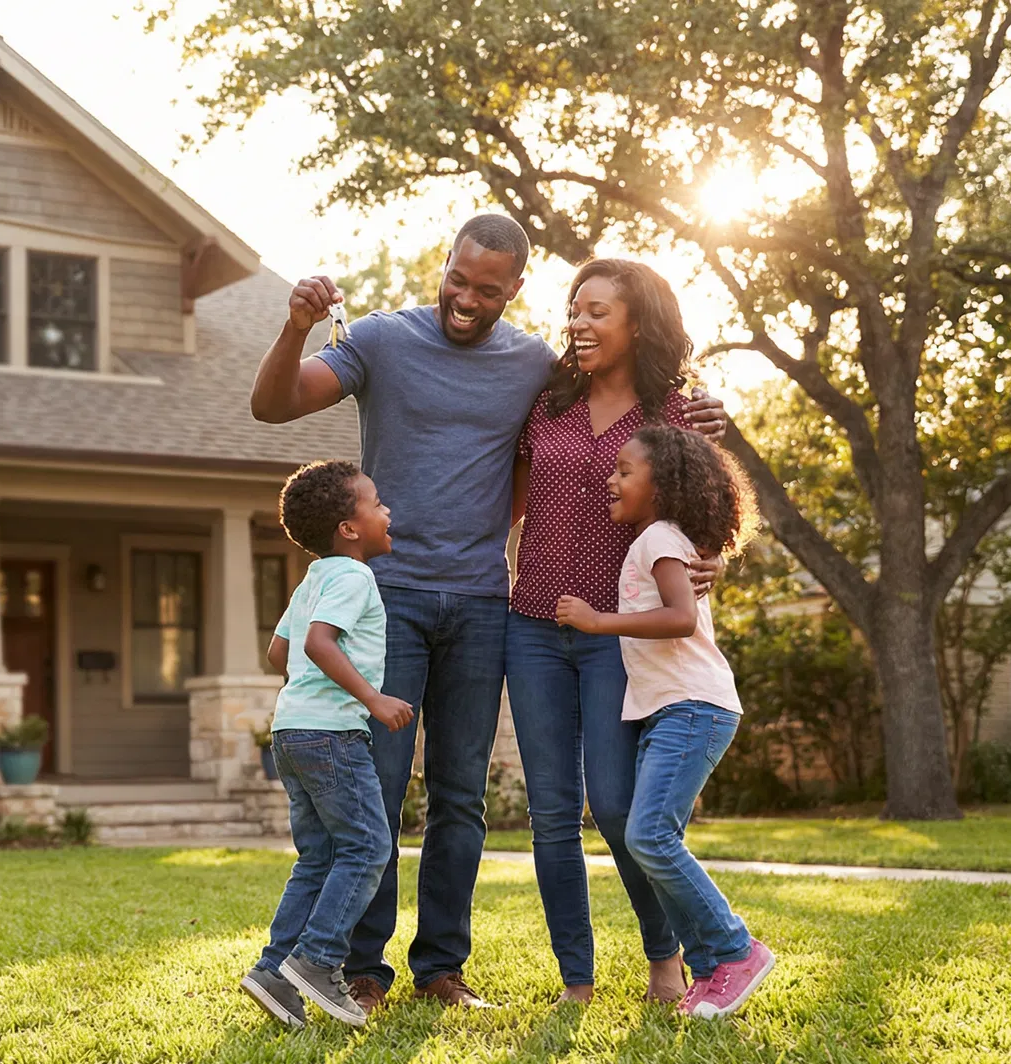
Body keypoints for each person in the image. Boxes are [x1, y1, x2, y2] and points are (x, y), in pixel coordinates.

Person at [251, 216, 729, 1010]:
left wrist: (699, 527)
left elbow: (621, 483)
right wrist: (296, 324)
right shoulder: (389, 342)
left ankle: (441, 965)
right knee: (379, 784)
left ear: (515, 290)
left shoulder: (538, 370)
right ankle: (363, 971)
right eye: (458, 278)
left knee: (464, 796)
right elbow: (275, 405)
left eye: (487, 288)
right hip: (396, 599)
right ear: (445, 265)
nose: (466, 298)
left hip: (483, 601)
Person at [507, 258, 729, 1004]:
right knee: (548, 814)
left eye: (598, 311)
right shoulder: (546, 401)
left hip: (618, 635)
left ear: (639, 322)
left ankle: (664, 957)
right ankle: (577, 977)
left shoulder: (675, 414)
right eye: (574, 309)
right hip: (532, 623)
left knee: (615, 805)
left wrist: (711, 565)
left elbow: (708, 517)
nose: (579, 322)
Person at [553, 423, 775, 1017]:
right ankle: (708, 971)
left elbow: (680, 617)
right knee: (648, 836)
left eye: (625, 471)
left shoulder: (657, 537)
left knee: (649, 835)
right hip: (672, 709)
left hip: (691, 707)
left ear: (664, 484)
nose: (611, 478)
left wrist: (597, 621)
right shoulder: (659, 538)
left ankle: (735, 949)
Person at [243, 460, 414, 1030]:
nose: (386, 511)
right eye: (376, 504)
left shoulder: (313, 577)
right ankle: (317, 961)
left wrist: (315, 693)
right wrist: (372, 697)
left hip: (291, 731)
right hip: (333, 734)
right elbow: (318, 643)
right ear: (350, 528)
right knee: (367, 847)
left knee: (319, 857)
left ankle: (274, 973)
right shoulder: (353, 576)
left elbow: (280, 653)